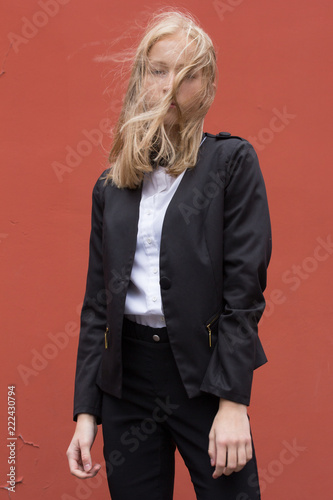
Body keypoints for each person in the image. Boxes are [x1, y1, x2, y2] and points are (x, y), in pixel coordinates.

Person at [66, 9, 272, 500]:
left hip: (204, 377)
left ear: (207, 84)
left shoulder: (231, 163)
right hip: (127, 385)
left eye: (187, 74)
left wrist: (232, 403)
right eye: (159, 70)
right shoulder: (112, 184)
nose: (171, 85)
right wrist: (87, 413)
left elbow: (243, 296)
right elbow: (99, 305)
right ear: (142, 78)